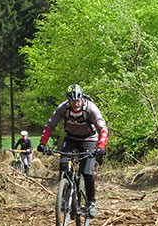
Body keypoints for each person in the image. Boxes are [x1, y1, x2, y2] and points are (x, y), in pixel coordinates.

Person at [37, 84, 108, 218]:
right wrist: (43, 143)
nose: (76, 103)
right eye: (72, 101)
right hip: (70, 139)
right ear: (68, 100)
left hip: (89, 140)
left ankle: (91, 202)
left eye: (78, 100)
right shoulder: (63, 108)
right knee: (64, 165)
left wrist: (101, 146)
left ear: (82, 98)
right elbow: (50, 125)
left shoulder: (91, 108)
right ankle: (65, 196)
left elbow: (102, 128)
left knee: (87, 172)